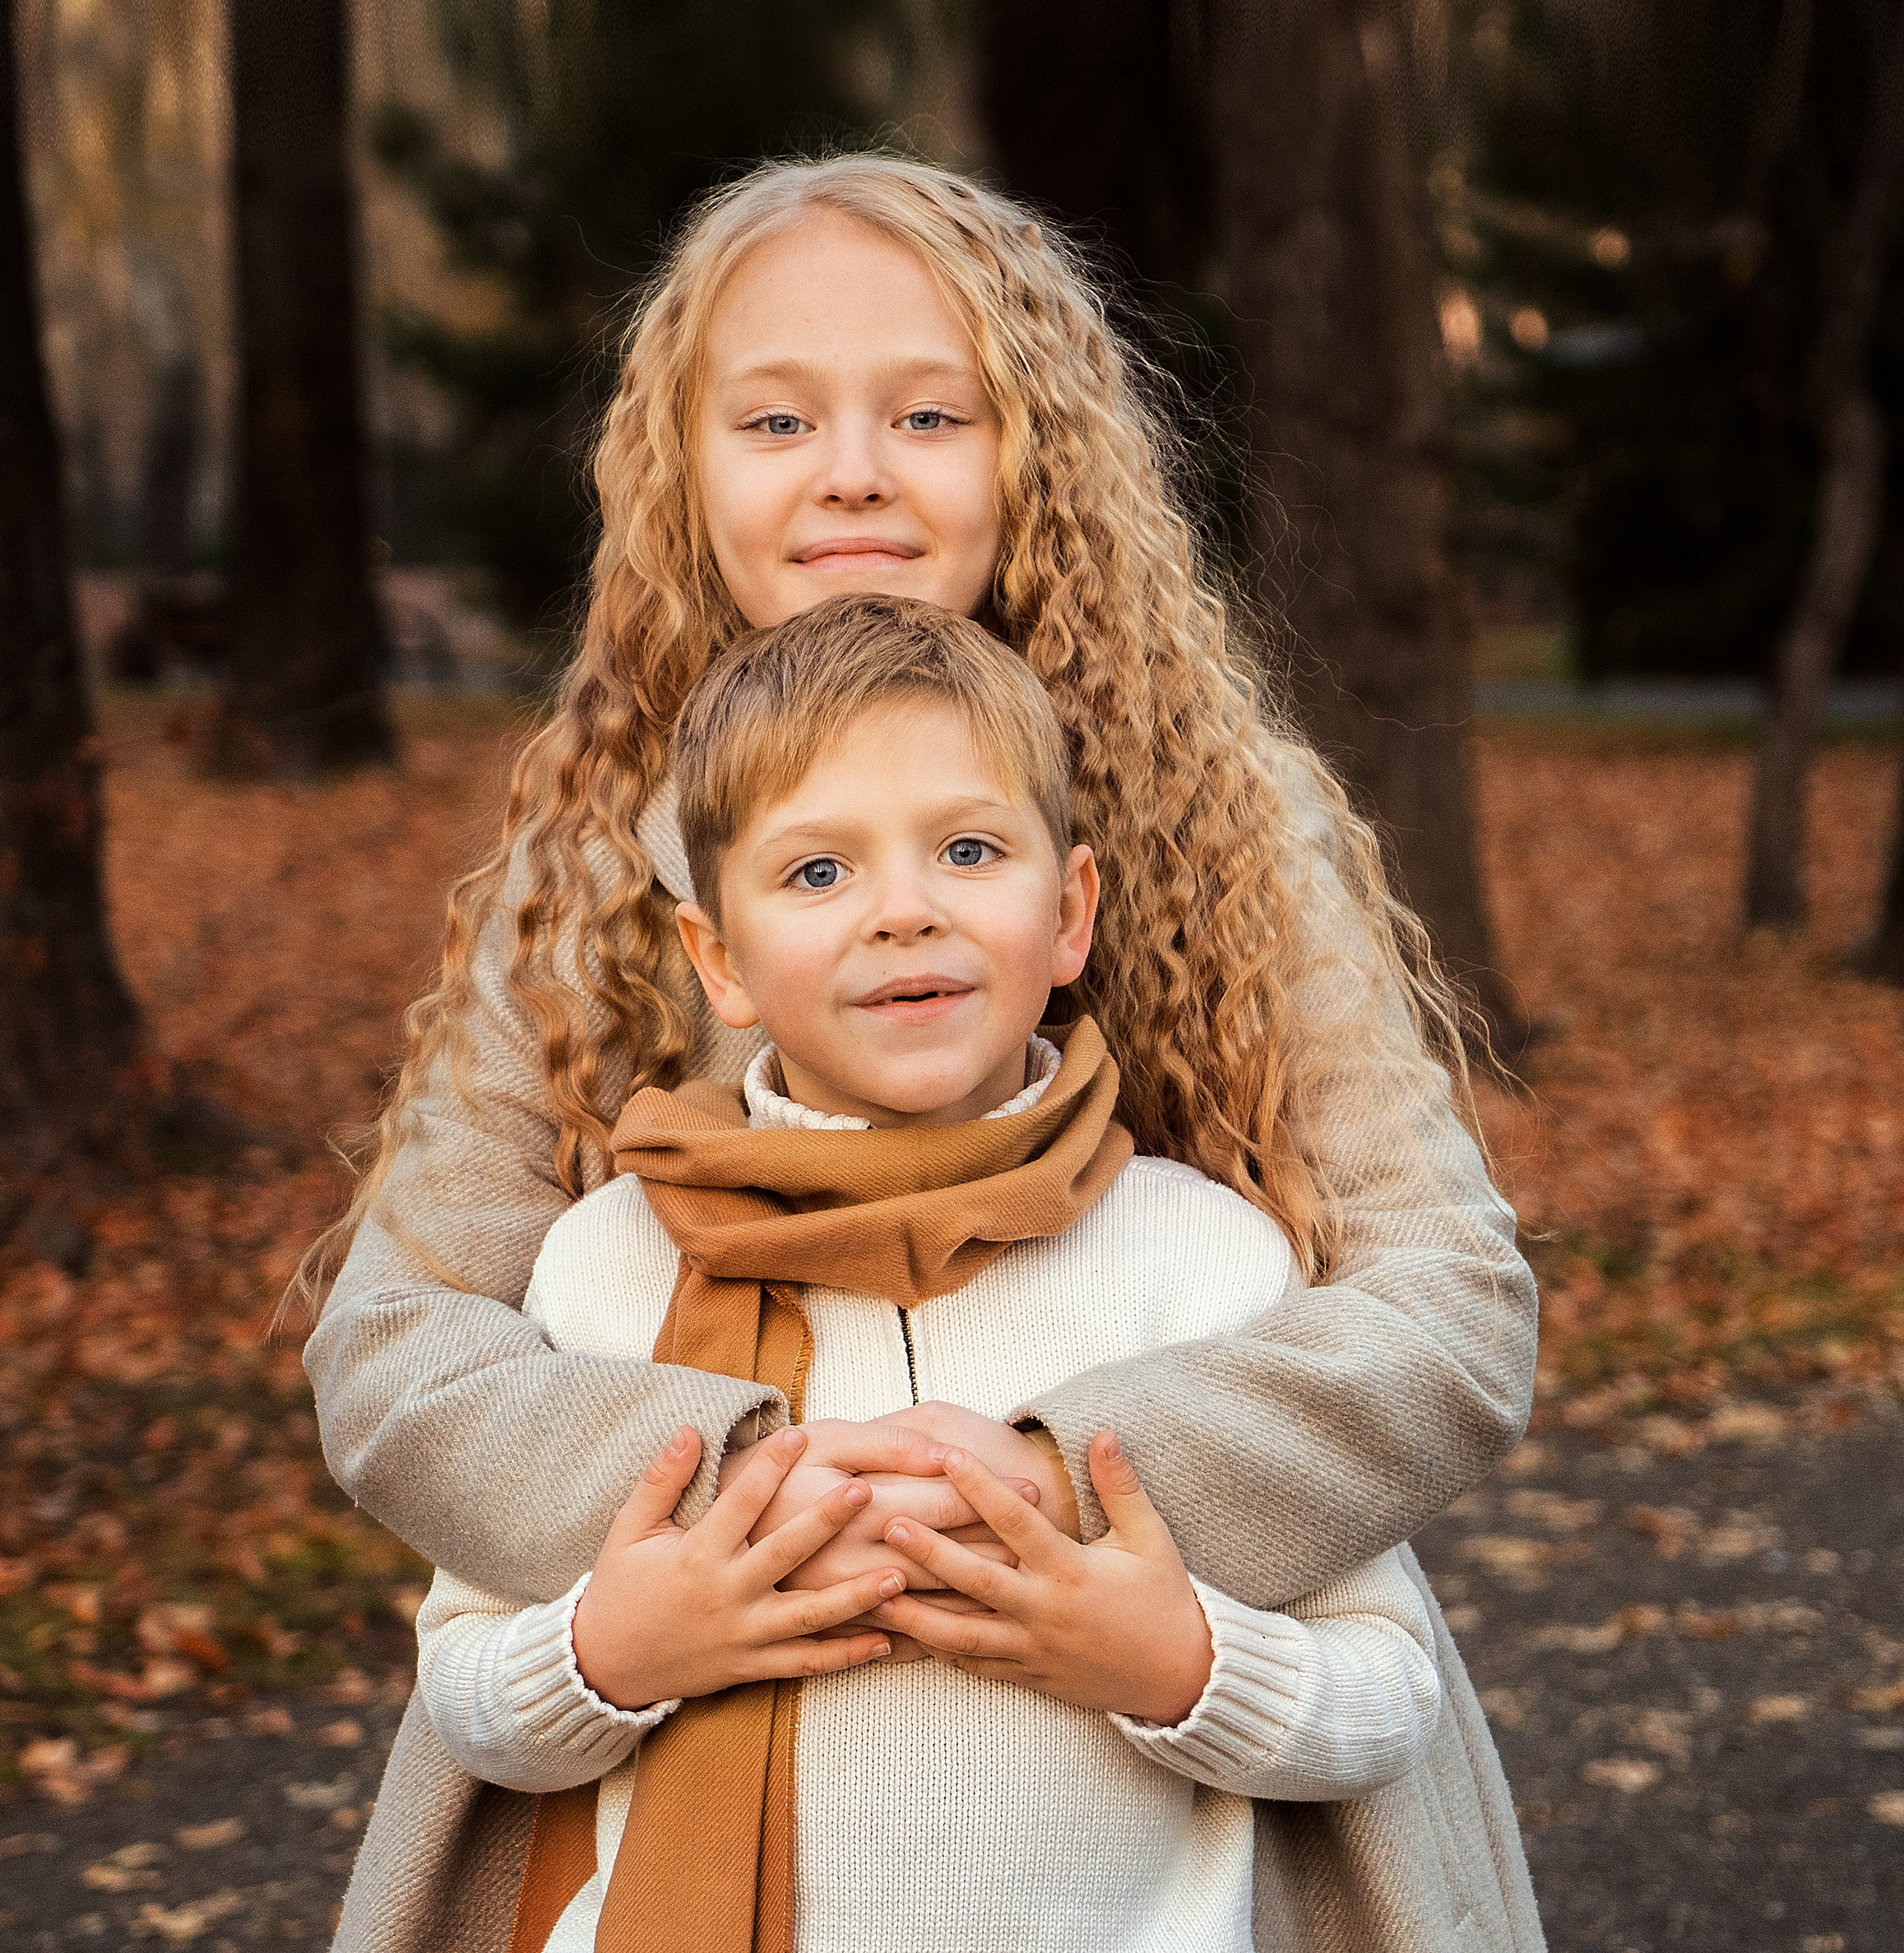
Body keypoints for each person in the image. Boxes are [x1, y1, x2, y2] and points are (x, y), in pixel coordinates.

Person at [304, 153, 1540, 1951]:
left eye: (927, 411)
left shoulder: (1218, 817)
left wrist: (1051, 1483)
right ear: (685, 467)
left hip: (1183, 1799)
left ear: (1028, 451)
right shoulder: (599, 851)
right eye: (777, 418)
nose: (851, 470)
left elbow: (1445, 1308)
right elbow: (396, 1356)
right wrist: (753, 1493)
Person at [399, 596, 1492, 1950]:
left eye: (968, 850)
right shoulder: (608, 1264)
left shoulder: (1210, 1260)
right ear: (719, 960)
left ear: (1071, 912)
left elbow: (1389, 1690)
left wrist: (1180, 1668)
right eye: (817, 874)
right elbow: (463, 1688)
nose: (903, 912)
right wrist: (607, 1659)